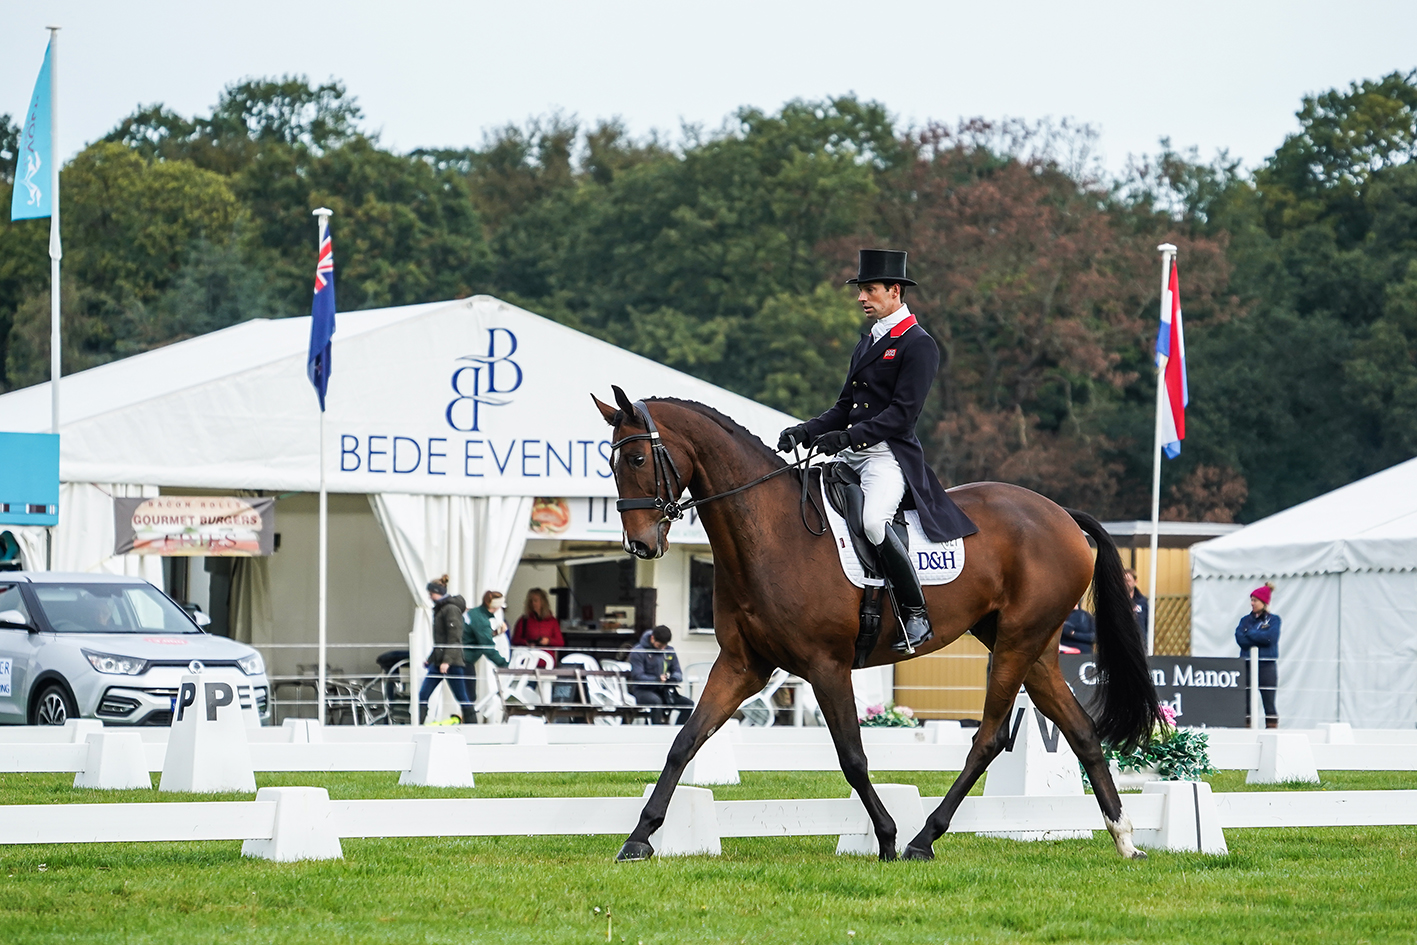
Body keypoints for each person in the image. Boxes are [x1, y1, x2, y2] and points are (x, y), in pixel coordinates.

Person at [777, 249, 977, 654]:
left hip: (888, 455)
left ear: (895, 291)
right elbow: (843, 407)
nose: (861, 297)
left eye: (869, 290)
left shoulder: (919, 345)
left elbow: (902, 415)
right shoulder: (867, 341)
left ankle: (916, 614)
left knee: (872, 522)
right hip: (853, 452)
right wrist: (807, 430)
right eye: (861, 290)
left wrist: (848, 439)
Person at [416, 575, 476, 724]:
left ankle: (473, 726)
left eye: (431, 593)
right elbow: (441, 640)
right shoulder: (441, 609)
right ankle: (418, 723)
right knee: (423, 694)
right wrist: (431, 659)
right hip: (438, 661)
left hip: (451, 663)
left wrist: (447, 661)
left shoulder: (450, 609)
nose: (430, 597)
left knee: (462, 696)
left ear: (438, 592)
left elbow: (454, 638)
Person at [1234, 583, 1281, 728]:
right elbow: (1240, 639)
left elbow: (1270, 638)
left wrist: (1250, 633)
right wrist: (1258, 636)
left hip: (1266, 665)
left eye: (1255, 600)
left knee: (1269, 701)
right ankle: (1247, 730)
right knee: (1246, 701)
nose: (1252, 603)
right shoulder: (1245, 620)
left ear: (1264, 602)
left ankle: (1272, 730)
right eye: (1252, 600)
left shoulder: (1274, 620)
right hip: (1247, 665)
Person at [628, 625, 694, 724]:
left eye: (665, 646)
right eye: (659, 646)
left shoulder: (669, 651)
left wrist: (673, 679)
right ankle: (657, 731)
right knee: (657, 702)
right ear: (652, 638)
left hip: (664, 690)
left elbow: (677, 671)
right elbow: (638, 676)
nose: (662, 648)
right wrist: (657, 679)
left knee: (688, 704)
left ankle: (678, 731)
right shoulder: (638, 651)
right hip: (643, 691)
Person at [462, 590, 511, 712]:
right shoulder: (482, 621)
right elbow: (487, 647)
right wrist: (504, 665)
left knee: (464, 694)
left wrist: (494, 633)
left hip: (459, 656)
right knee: (468, 696)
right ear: (496, 606)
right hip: (464, 660)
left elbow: (475, 637)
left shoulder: (474, 613)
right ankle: (469, 722)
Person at [511, 588, 564, 654]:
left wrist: (548, 641)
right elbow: (515, 640)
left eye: (535, 601)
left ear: (543, 602)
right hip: (529, 658)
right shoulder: (524, 620)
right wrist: (526, 642)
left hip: (546, 659)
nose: (533, 603)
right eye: (531, 601)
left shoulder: (552, 621)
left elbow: (560, 642)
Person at [1123, 569, 1149, 642]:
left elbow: (1148, 622)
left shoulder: (1142, 602)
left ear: (1135, 582)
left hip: (1139, 643)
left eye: (1128, 581)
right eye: (1123, 581)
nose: (1125, 583)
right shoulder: (1116, 601)